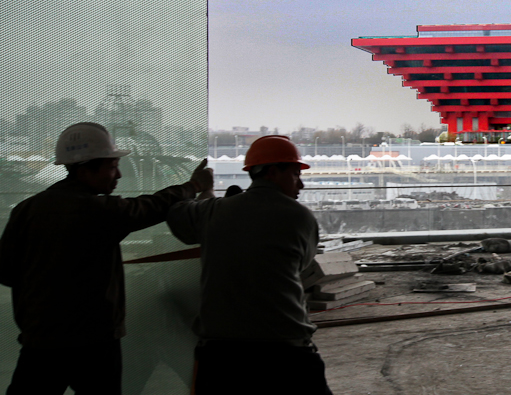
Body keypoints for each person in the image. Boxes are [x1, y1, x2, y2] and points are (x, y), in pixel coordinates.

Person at [0, 122, 214, 395]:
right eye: (112, 166)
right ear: (86, 169)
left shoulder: (25, 210)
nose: (119, 174)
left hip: (40, 342)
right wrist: (194, 185)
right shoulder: (100, 211)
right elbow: (152, 206)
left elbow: (6, 272)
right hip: (95, 344)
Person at [166, 135, 331, 394]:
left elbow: (177, 215)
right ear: (272, 172)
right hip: (285, 352)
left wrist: (200, 188)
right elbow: (300, 265)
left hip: (221, 356)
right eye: (295, 174)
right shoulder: (301, 217)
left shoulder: (213, 212)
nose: (301, 184)